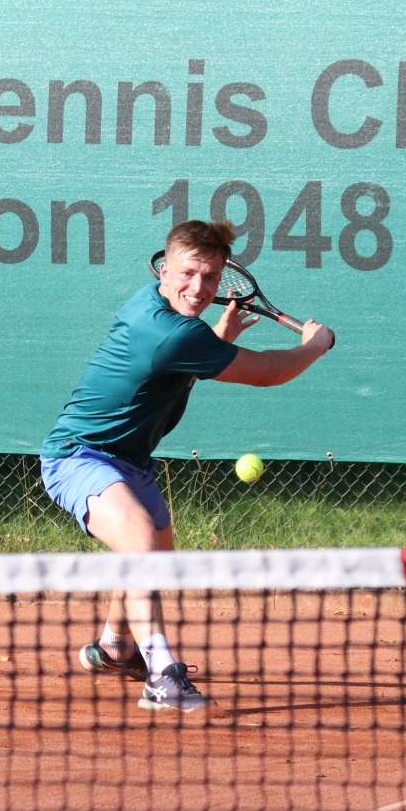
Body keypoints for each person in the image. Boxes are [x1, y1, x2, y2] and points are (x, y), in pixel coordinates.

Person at [40, 219, 336, 711]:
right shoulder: (173, 333)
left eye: (211, 277)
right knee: (139, 539)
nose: (199, 288)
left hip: (131, 462)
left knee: (155, 555)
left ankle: (115, 647)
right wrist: (314, 345)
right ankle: (162, 679)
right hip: (78, 456)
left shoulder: (156, 309)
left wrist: (216, 339)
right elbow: (266, 373)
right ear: (164, 270)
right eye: (188, 273)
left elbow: (175, 363)